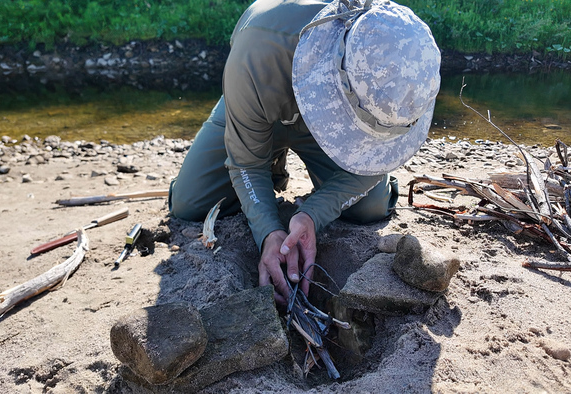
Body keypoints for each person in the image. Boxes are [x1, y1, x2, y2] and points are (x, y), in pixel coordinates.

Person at [168, 0, 440, 304]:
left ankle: (283, 165)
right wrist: (268, 232)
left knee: (370, 209)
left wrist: (312, 214)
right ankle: (271, 161)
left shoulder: (411, 70)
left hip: (338, 128)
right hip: (258, 103)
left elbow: (383, 155)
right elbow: (245, 161)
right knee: (189, 205)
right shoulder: (260, 44)